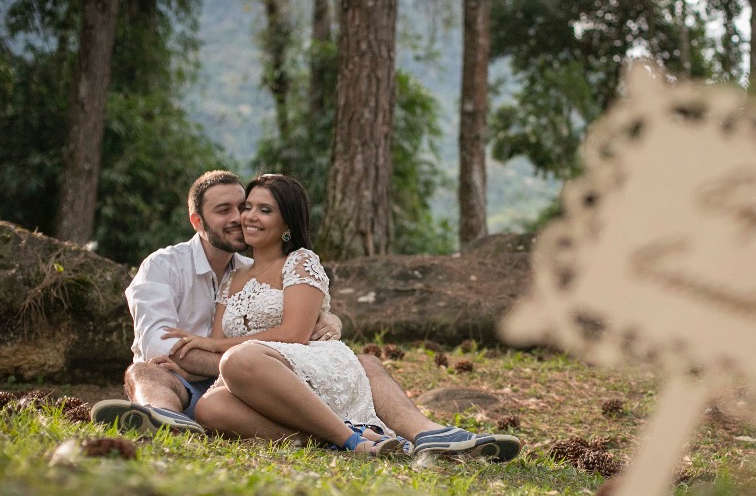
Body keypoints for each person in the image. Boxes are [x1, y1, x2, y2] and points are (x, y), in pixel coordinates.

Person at [94, 170, 519, 461]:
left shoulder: (272, 264)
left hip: (265, 371)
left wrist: (329, 324)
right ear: (196, 218)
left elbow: (300, 327)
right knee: (145, 372)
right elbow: (163, 351)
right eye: (226, 210)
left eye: (250, 207)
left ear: (284, 222)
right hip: (198, 382)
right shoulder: (164, 267)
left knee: (355, 363)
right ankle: (161, 417)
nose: (241, 218)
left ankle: (392, 436)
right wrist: (216, 356)